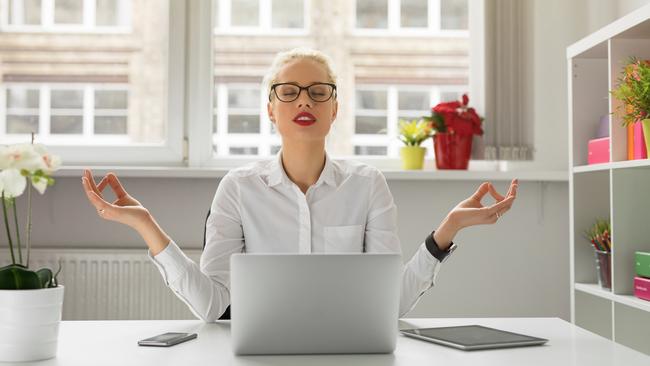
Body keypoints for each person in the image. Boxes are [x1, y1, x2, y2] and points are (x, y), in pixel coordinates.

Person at [81, 48, 518, 322]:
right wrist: (146, 226)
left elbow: (390, 306)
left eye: (317, 92)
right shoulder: (238, 188)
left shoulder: (368, 185)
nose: (304, 100)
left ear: (335, 109)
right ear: (271, 110)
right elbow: (213, 306)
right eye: (287, 91)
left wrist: (447, 231)